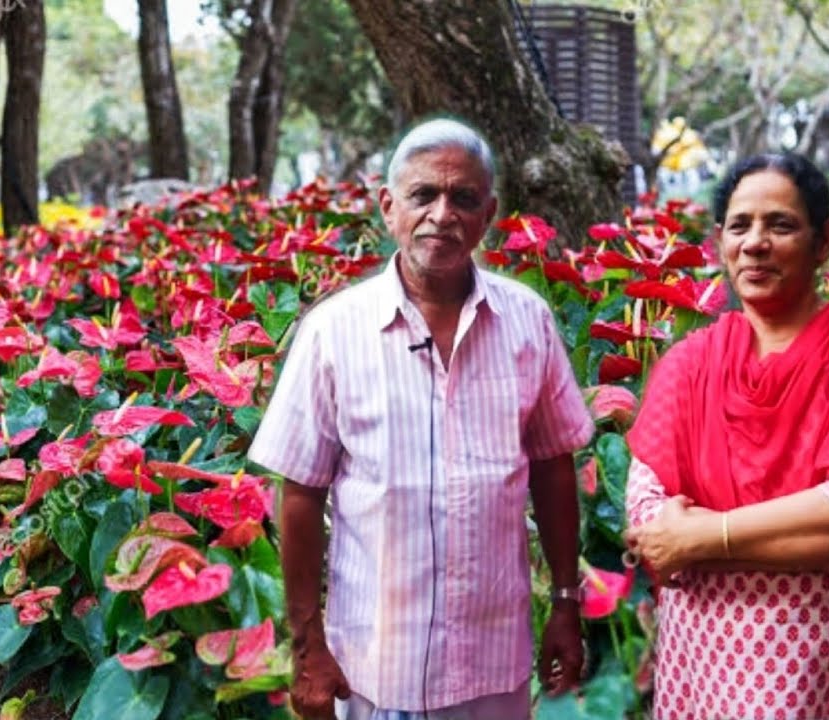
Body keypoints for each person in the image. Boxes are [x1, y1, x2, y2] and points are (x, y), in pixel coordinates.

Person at [248, 118, 594, 720]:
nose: (442, 214)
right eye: (423, 195)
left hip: (495, 662)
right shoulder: (333, 332)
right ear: (389, 207)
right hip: (374, 669)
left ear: (487, 215)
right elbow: (300, 493)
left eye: (463, 198)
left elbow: (552, 466)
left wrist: (566, 602)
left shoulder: (528, 322)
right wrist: (307, 647)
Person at [624, 152, 829, 720]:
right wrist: (796, 537)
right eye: (739, 226)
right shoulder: (688, 364)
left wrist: (705, 536)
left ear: (823, 240)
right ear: (720, 242)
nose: (755, 243)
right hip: (704, 671)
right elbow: (652, 523)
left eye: (780, 225)